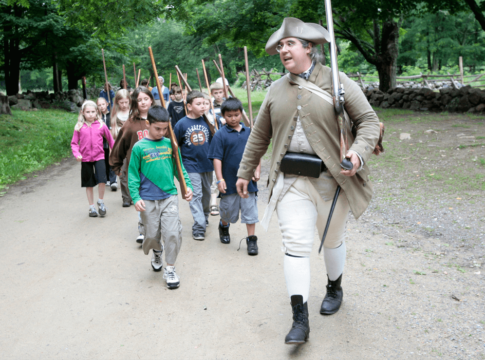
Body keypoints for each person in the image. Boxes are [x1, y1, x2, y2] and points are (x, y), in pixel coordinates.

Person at [235, 18, 381, 344]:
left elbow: (369, 122)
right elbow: (259, 137)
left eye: (289, 44)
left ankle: (334, 286)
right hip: (290, 182)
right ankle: (299, 319)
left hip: (332, 181)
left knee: (331, 240)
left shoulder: (338, 81)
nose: (283, 50)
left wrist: (357, 153)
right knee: (295, 245)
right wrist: (245, 171)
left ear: (308, 47)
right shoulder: (274, 90)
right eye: (280, 46)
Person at [128, 106, 193, 289]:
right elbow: (132, 174)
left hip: (169, 196)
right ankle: (157, 251)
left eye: (165, 129)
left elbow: (179, 168)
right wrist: (135, 196)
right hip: (147, 198)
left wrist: (186, 186)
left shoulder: (170, 144)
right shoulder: (139, 147)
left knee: (172, 233)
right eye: (158, 128)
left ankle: (170, 268)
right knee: (151, 235)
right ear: (148, 124)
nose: (162, 132)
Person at [208, 98, 261, 255]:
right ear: (223, 116)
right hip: (229, 181)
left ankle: (251, 240)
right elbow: (216, 158)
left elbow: (256, 153)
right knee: (228, 212)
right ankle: (224, 226)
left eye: (236, 115)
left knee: (250, 211)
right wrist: (219, 179)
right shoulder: (220, 135)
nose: (233, 118)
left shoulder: (250, 132)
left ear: (241, 114)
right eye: (229, 115)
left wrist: (257, 169)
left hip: (248, 181)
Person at [110, 86, 154, 244]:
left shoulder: (159, 119)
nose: (142, 102)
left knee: (156, 201)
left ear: (151, 100)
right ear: (134, 103)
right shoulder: (130, 124)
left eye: (145, 99)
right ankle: (143, 229)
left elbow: (171, 143)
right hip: (138, 170)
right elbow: (120, 145)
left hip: (156, 169)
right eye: (139, 100)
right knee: (141, 199)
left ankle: (155, 227)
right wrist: (116, 165)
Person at [173, 91, 214, 240]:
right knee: (196, 195)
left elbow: (216, 140)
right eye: (199, 104)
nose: (203, 106)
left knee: (206, 194)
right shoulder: (181, 124)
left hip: (207, 164)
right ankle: (199, 226)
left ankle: (204, 216)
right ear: (189, 106)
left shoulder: (208, 121)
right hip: (190, 165)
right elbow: (175, 145)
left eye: (204, 103)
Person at [71, 100, 115, 217]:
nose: (90, 114)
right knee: (89, 183)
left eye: (93, 112)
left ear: (97, 112)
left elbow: (111, 140)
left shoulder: (101, 125)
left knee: (102, 180)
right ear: (83, 113)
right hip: (85, 159)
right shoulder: (79, 127)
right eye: (88, 112)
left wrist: (115, 152)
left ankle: (100, 201)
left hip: (99, 156)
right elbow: (74, 143)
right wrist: (77, 154)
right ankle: (91, 207)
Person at [110, 89, 131, 194]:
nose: (124, 105)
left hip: (132, 146)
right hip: (120, 148)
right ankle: (126, 197)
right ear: (117, 102)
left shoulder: (133, 113)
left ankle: (134, 194)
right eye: (121, 102)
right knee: (122, 173)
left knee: (134, 172)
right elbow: (112, 135)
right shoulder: (115, 115)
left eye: (126, 102)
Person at [97, 97, 117, 188]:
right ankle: (108, 179)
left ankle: (113, 180)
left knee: (111, 160)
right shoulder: (97, 117)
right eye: (99, 105)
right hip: (101, 143)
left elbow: (114, 128)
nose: (101, 106)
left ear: (107, 104)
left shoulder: (112, 115)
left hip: (111, 142)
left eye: (103, 104)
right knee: (104, 161)